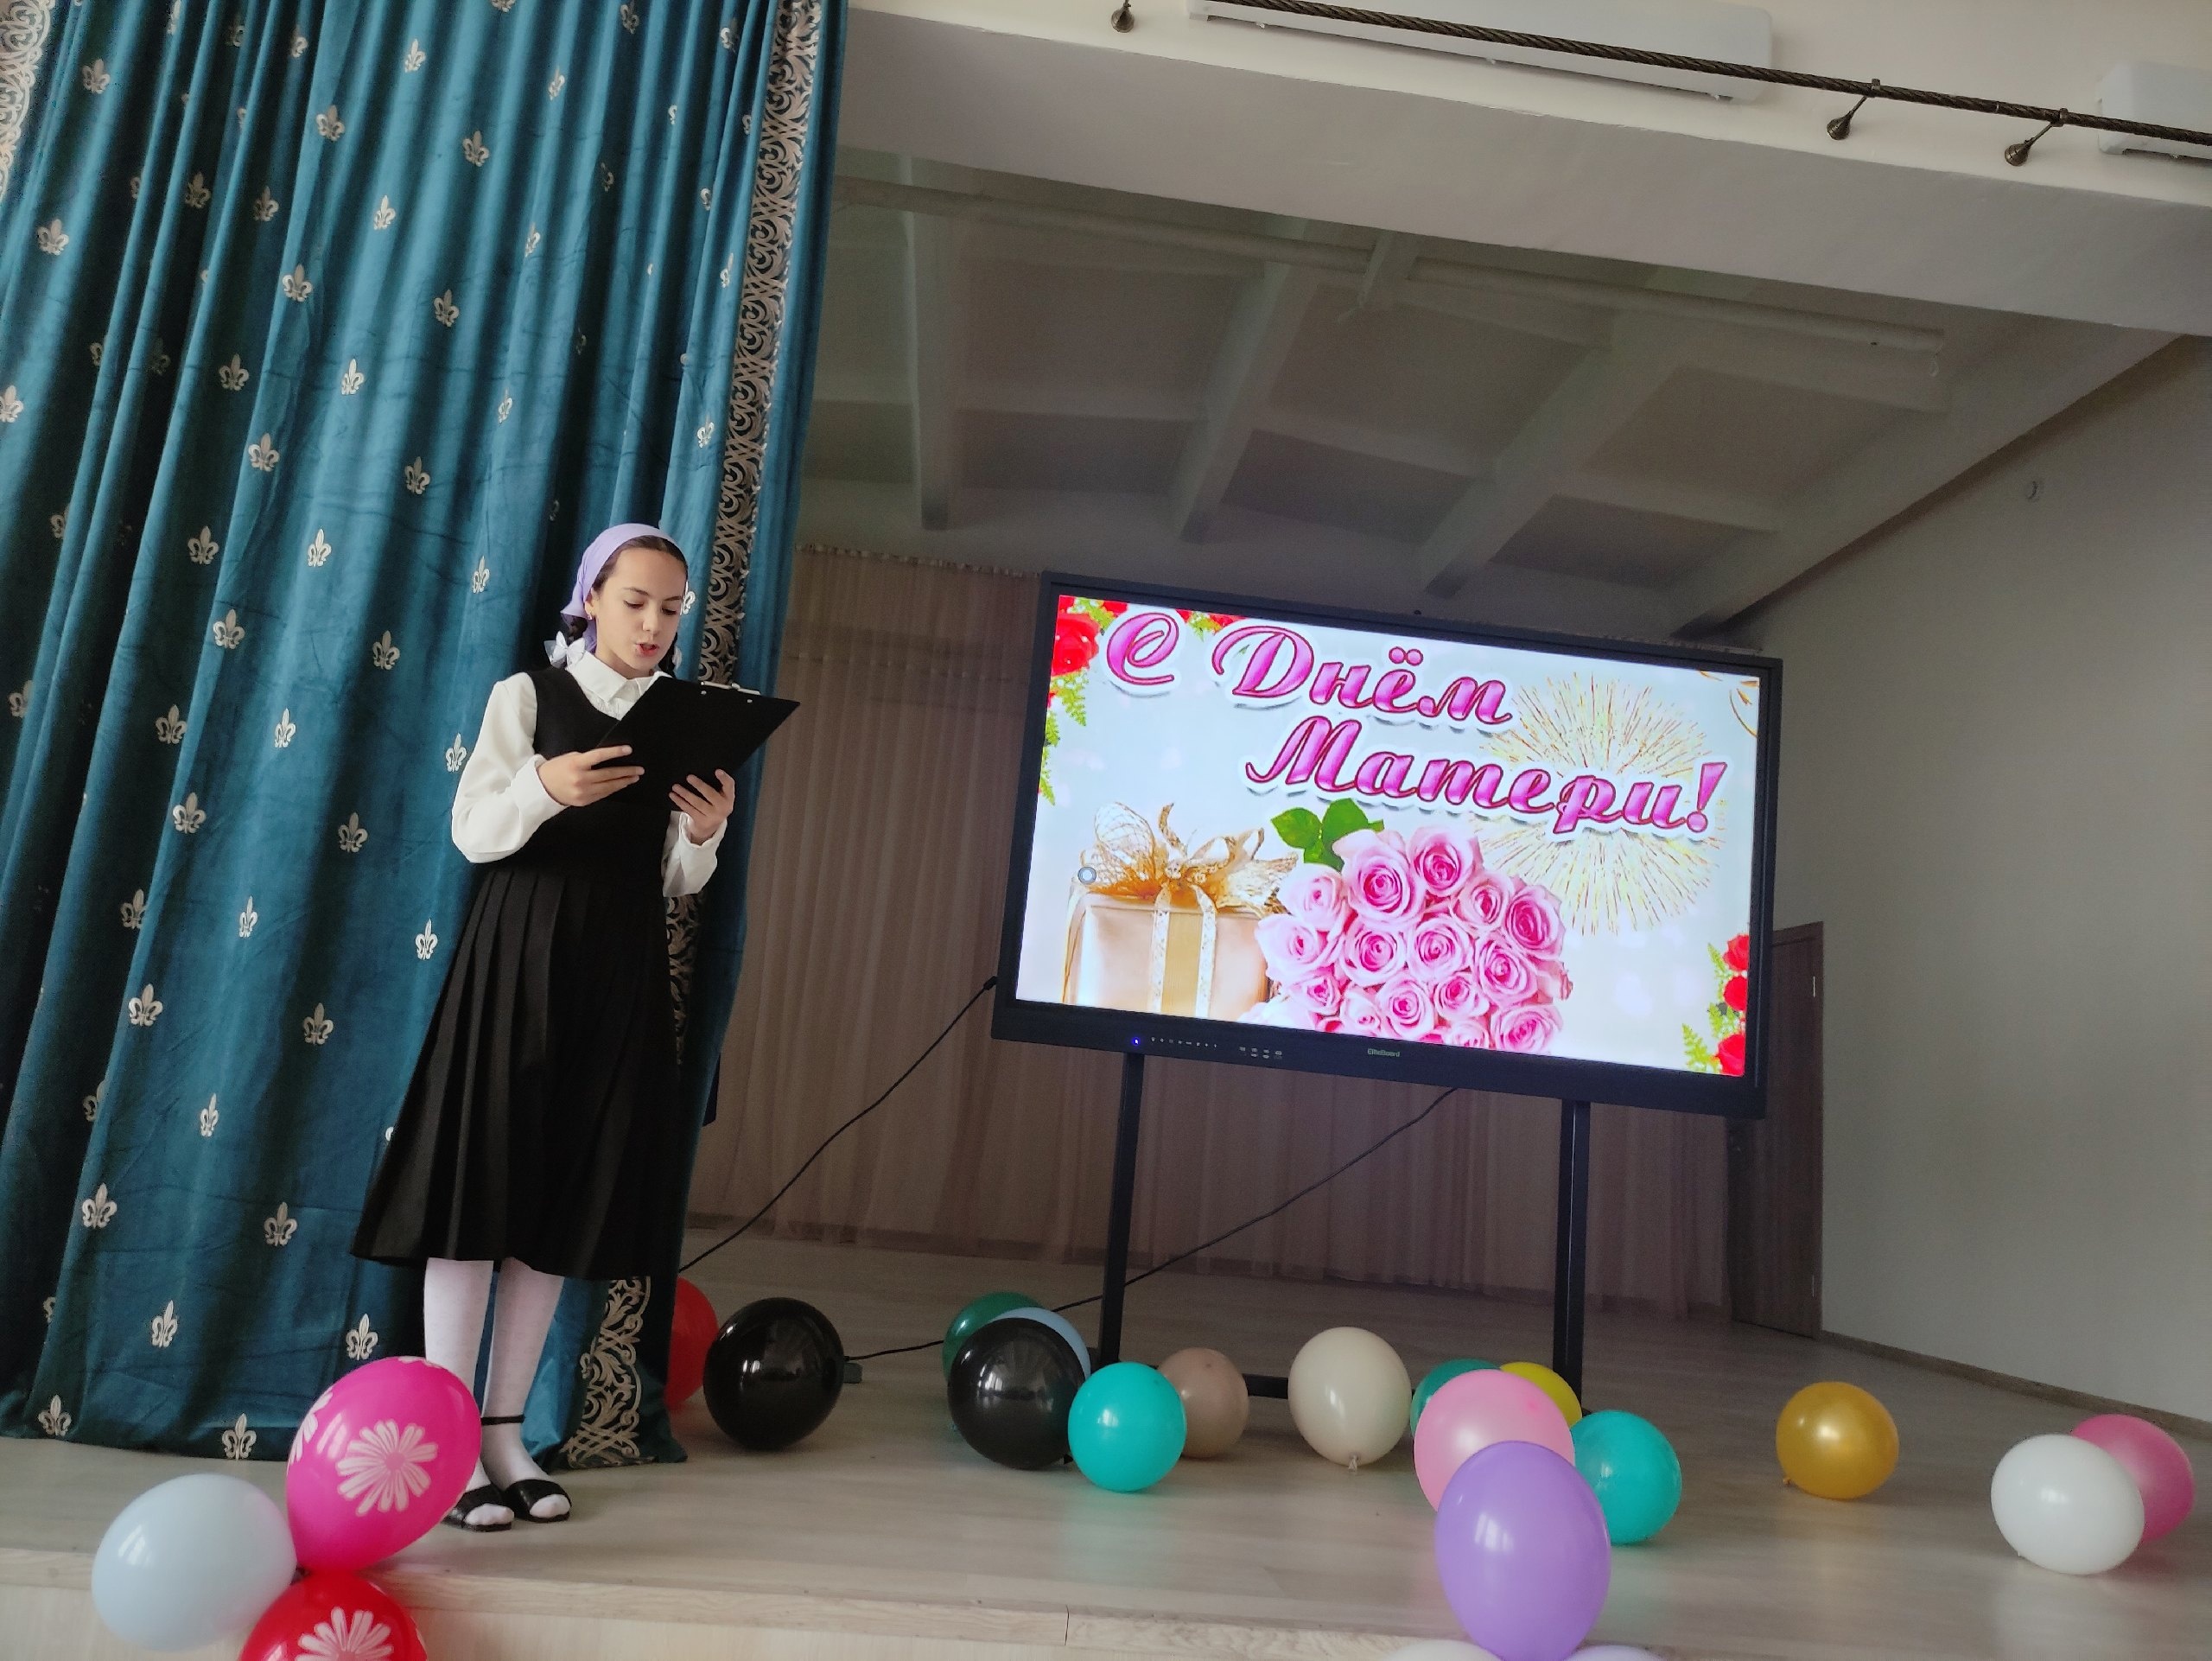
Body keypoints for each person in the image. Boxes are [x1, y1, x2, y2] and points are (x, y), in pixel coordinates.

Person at [352, 523, 739, 1531]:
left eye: (670, 607)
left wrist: (704, 834)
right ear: (591, 598)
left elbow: (671, 876)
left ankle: (504, 1437)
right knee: (475, 1189)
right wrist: (543, 785)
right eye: (635, 601)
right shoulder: (526, 696)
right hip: (515, 960)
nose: (653, 624)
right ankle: (446, 1445)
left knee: (562, 1202)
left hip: (617, 973)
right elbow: (472, 830)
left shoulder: (678, 719)